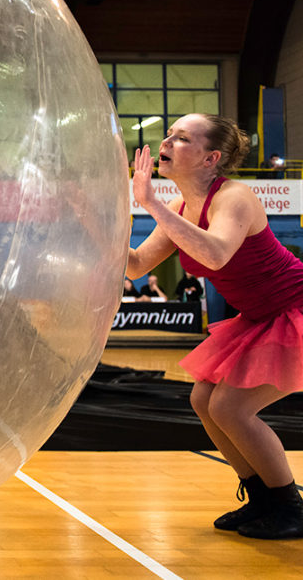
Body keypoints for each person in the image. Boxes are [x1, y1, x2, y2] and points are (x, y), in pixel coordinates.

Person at [128, 113, 303, 539]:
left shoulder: (235, 197)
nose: (167, 141)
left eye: (182, 138)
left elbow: (216, 255)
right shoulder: (179, 208)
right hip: (260, 317)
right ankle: (261, 498)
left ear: (211, 158)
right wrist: (91, 224)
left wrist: (148, 202)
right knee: (204, 399)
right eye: (168, 134)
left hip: (294, 311)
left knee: (230, 407)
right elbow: (135, 265)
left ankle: (290, 507)